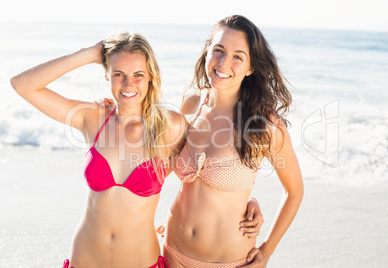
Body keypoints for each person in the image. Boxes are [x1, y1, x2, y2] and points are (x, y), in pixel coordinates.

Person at [10, 31, 263, 268]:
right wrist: (89, 54)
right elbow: (23, 84)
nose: (128, 84)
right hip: (84, 259)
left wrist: (247, 201)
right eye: (119, 73)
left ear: (150, 75)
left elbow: (208, 168)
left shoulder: (171, 127)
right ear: (106, 74)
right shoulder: (91, 118)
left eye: (138, 75)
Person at [163, 15, 304, 267]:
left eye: (238, 56)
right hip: (171, 252)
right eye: (218, 50)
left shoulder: (264, 125)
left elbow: (294, 191)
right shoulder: (192, 101)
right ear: (207, 52)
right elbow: (164, 166)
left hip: (229, 262)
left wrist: (267, 250)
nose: (224, 62)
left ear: (251, 67)